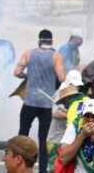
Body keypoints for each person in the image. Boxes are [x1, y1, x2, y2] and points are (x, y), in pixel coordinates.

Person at [12, 29, 65, 173]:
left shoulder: (28, 53)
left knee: (22, 136)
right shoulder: (56, 56)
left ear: (39, 41)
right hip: (46, 104)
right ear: (52, 41)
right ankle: (42, 170)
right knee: (43, 140)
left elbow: (16, 72)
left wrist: (27, 76)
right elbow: (62, 78)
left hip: (29, 102)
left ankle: (18, 167)